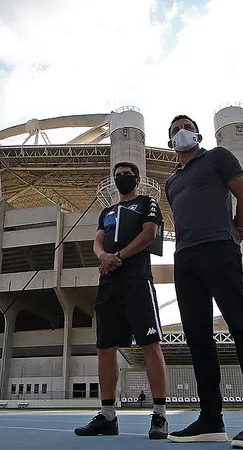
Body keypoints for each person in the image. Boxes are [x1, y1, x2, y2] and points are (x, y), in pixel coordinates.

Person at [164, 115, 243, 448]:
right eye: (174, 130)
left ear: (196, 134)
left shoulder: (218, 157)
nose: (181, 132)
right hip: (185, 258)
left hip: (220, 248)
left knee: (242, 328)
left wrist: (236, 232)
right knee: (198, 339)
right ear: (170, 141)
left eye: (186, 126)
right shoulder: (171, 182)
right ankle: (210, 420)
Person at [74, 161, 169, 439]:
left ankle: (160, 414)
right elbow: (97, 241)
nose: (122, 179)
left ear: (136, 179)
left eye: (126, 175)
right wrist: (103, 256)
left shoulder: (147, 203)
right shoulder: (106, 212)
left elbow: (149, 233)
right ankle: (107, 415)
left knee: (150, 343)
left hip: (137, 281)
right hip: (108, 284)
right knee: (105, 347)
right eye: (118, 176)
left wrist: (119, 257)